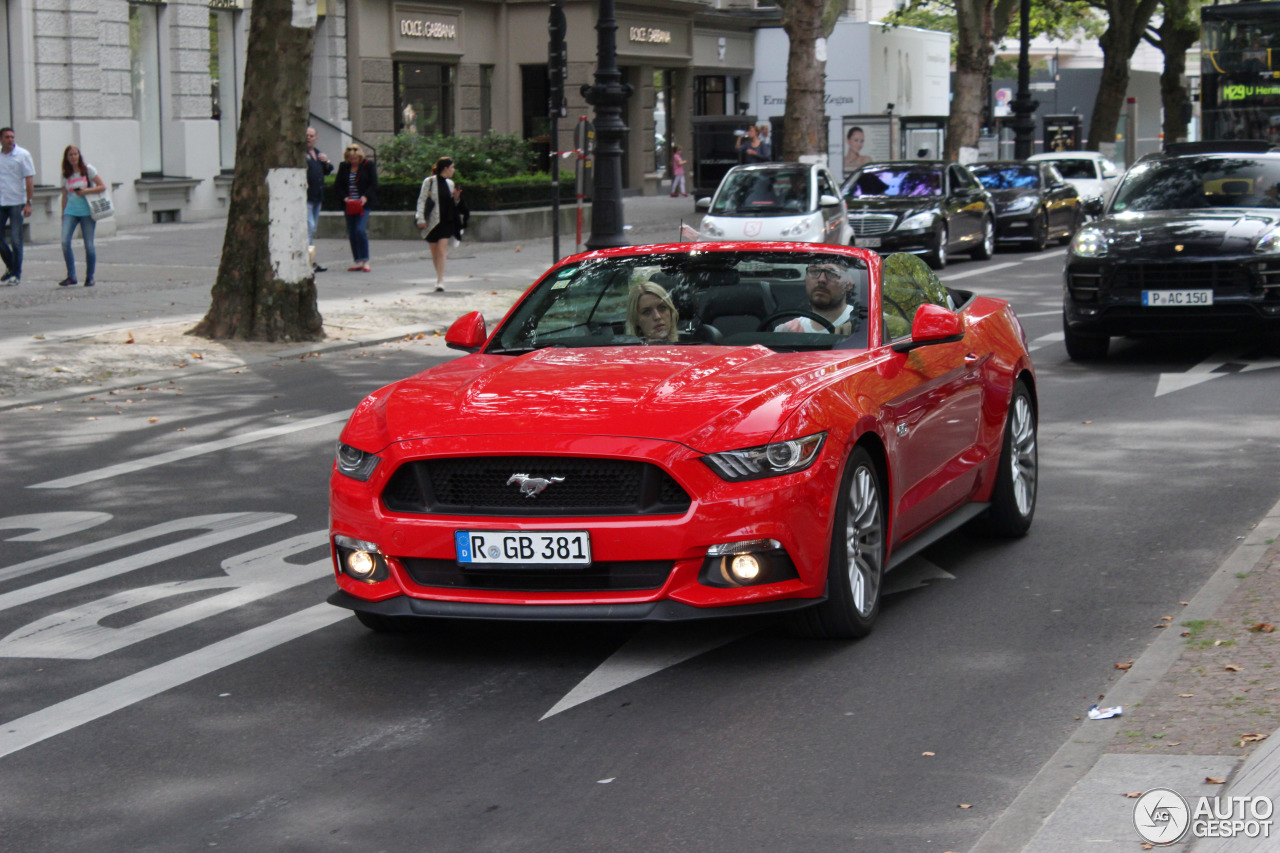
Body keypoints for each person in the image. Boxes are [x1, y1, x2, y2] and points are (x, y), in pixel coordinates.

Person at [416, 156, 468, 291]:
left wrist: (456, 198)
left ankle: (440, 280)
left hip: (446, 220)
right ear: (445, 168)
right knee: (435, 252)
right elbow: (421, 200)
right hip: (432, 222)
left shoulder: (450, 183)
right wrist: (420, 218)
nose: (454, 170)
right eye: (452, 167)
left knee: (441, 249)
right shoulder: (429, 182)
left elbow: (452, 204)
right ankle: (439, 276)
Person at [58, 145, 106, 288]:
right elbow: (64, 195)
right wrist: (63, 213)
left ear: (79, 156)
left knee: (89, 245)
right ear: (66, 158)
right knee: (65, 242)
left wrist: (86, 191)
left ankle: (90, 277)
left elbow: (102, 186)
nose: (73, 157)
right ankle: (71, 275)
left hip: (87, 211)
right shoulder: (65, 174)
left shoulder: (88, 170)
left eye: (75, 154)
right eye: (70, 155)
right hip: (71, 211)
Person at [775, 263, 858, 334]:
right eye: (814, 271)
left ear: (848, 284)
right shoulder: (786, 331)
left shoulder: (863, 324)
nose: (821, 279)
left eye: (832, 273)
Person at [0, 127, 36, 286]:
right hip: (1, 201)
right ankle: (11, 266)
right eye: (7, 137)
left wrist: (29, 202)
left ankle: (16, 274)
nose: (10, 140)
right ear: (1, 139)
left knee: (16, 239)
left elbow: (29, 179)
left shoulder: (23, 155)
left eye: (12, 137)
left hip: (17, 201)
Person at [333, 143, 376, 272]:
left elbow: (373, 183)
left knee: (360, 230)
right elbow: (338, 185)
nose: (353, 161)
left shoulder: (368, 165)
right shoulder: (344, 166)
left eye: (355, 159)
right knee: (352, 232)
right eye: (350, 159)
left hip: (363, 204)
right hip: (349, 204)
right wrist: (345, 198)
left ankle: (366, 260)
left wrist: (365, 197)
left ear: (359, 157)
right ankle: (358, 260)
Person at [304, 127, 333, 273]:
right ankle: (308, 261)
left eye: (311, 136)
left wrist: (326, 161)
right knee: (309, 226)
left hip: (317, 197)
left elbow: (328, 170)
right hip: (306, 197)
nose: (308, 138)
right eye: (306, 135)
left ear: (316, 138)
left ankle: (309, 258)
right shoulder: (301, 154)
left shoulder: (317, 153)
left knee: (312, 228)